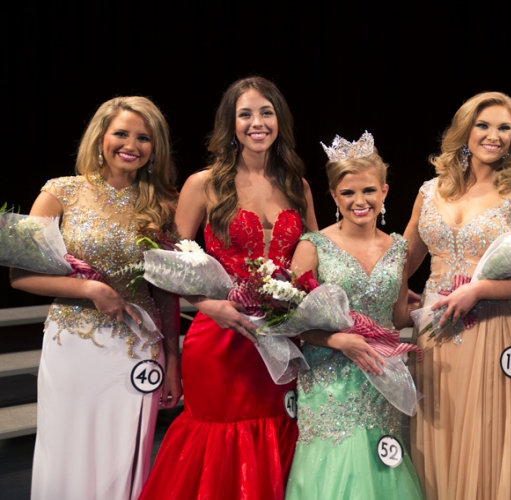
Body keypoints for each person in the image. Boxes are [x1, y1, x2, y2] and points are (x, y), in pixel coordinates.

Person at [139, 76, 316, 500]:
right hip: (220, 339)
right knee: (219, 446)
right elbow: (167, 270)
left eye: (266, 112)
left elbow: (318, 251)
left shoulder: (298, 184)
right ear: (231, 124)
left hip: (282, 341)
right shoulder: (204, 184)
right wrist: (208, 306)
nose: (258, 123)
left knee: (277, 436)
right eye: (246, 114)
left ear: (280, 120)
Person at [10, 96, 181, 500]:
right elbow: (20, 275)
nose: (131, 145)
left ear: (155, 147)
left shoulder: (162, 205)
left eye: (144, 137)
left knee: (122, 457)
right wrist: (87, 288)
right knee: (66, 450)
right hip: (73, 347)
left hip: (137, 349)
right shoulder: (59, 192)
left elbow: (166, 293)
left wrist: (174, 359)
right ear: (101, 137)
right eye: (121, 133)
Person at [404, 92, 511, 500]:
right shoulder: (430, 189)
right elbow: (401, 261)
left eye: (504, 128)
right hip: (435, 332)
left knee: (489, 432)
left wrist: (481, 289)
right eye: (484, 125)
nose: (494, 136)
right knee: (440, 430)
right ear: (465, 131)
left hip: (494, 330)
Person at [285, 132, 424, 499]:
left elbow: (396, 318)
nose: (359, 201)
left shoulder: (398, 248)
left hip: (379, 374)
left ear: (384, 192)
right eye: (347, 193)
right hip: (328, 376)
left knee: (378, 465)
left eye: (368, 191)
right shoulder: (313, 246)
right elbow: (285, 321)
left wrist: (435, 306)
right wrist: (336, 340)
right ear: (333, 196)